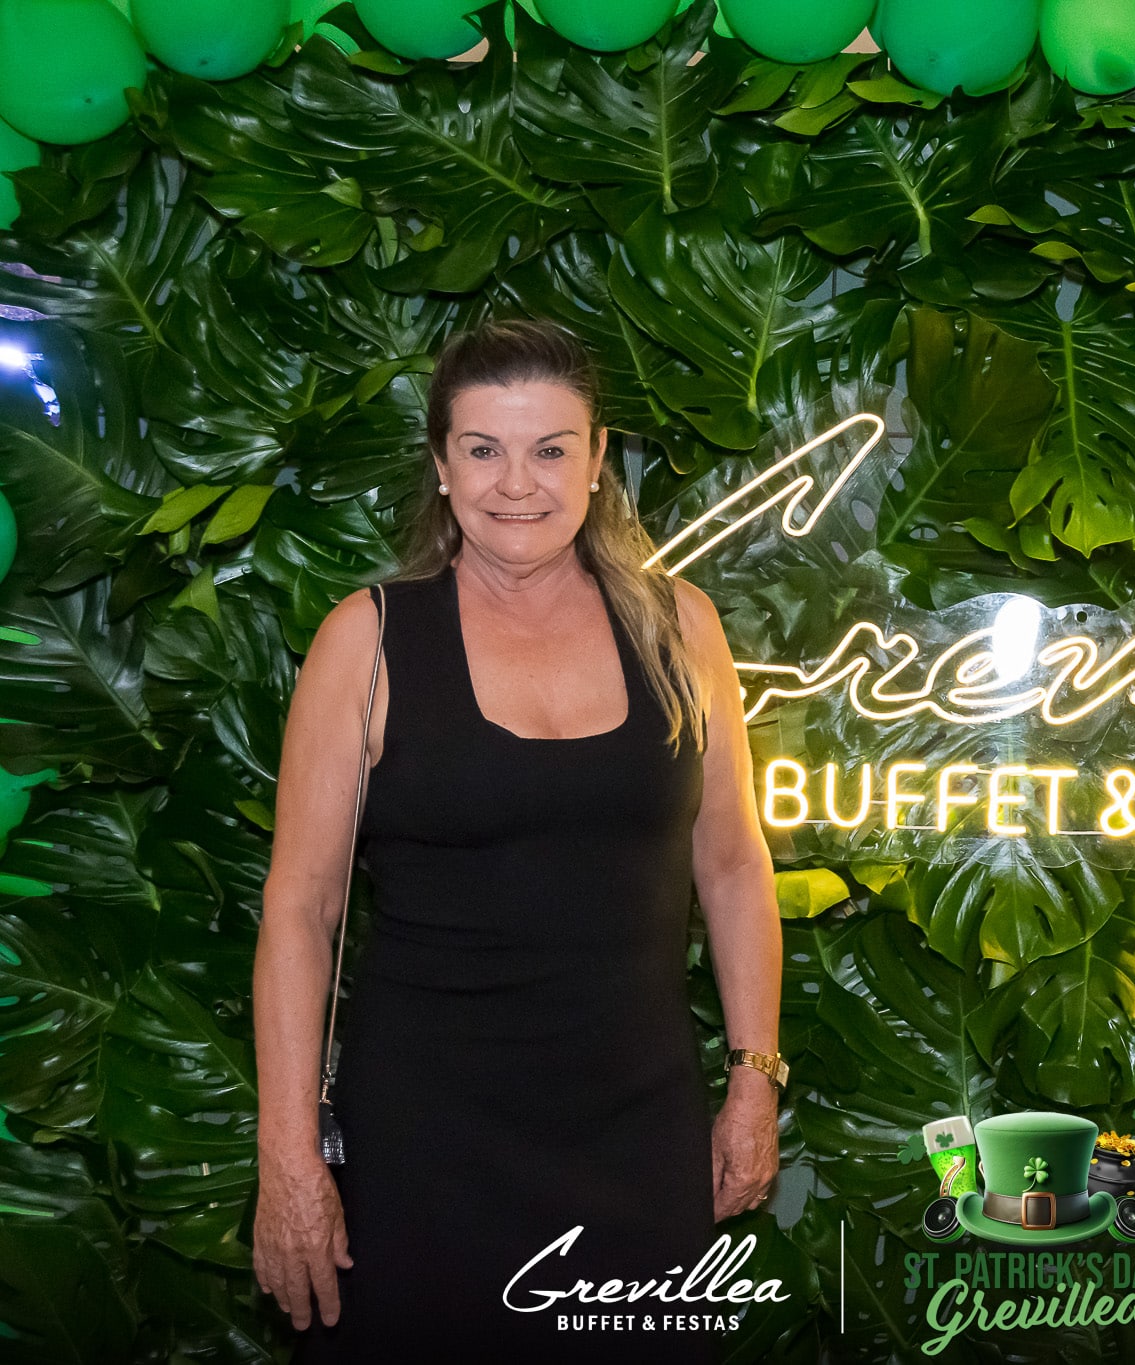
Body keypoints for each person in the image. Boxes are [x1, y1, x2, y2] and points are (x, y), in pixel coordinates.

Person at [250, 319, 785, 1362]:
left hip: (639, 1126)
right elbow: (301, 909)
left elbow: (731, 865)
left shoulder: (680, 627)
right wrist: (289, 1157)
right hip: (423, 1139)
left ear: (596, 461)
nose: (516, 484)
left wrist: (754, 1080)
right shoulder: (367, 638)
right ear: (442, 464)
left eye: (549, 449)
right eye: (483, 449)